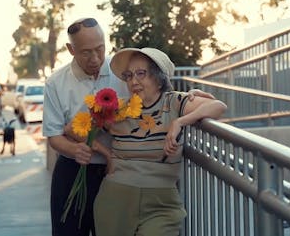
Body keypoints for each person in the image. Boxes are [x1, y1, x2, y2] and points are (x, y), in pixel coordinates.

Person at [92, 47, 227, 236]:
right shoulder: (118, 108)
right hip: (116, 198)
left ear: (158, 77)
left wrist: (179, 122)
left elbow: (218, 106)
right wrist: (105, 153)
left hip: (162, 204)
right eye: (129, 75)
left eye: (141, 73)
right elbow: (75, 130)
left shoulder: (174, 102)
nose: (134, 81)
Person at [42, 17, 129, 236]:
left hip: (116, 174)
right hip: (73, 173)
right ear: (71, 49)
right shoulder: (55, 83)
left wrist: (188, 97)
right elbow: (53, 135)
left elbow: (155, 94)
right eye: (86, 52)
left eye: (100, 49)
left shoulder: (124, 74)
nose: (95, 58)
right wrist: (73, 149)